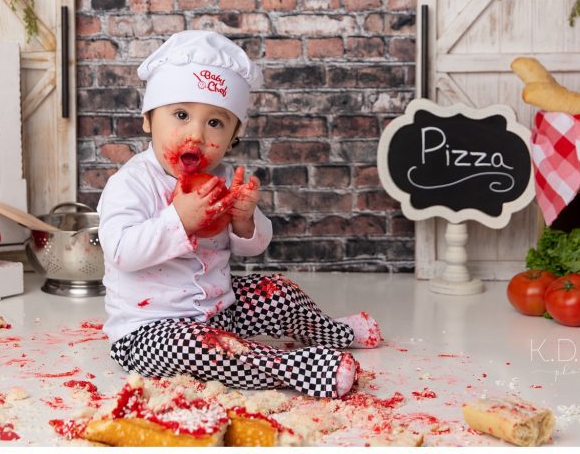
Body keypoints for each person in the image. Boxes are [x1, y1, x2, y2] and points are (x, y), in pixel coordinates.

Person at [97, 30, 381, 398]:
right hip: (150, 333)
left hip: (220, 309)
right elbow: (120, 251)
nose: (196, 134)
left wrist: (245, 219)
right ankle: (295, 369)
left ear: (233, 137)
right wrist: (178, 220)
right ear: (148, 119)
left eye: (215, 123)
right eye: (181, 114)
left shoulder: (224, 179)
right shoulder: (131, 183)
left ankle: (334, 332)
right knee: (206, 349)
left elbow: (251, 248)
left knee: (277, 292)